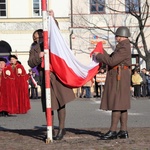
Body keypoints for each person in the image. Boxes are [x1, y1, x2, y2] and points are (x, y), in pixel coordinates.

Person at [28, 10, 75, 140]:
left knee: (61, 103)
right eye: (36, 38)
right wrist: (39, 56)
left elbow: (56, 33)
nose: (39, 40)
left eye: (40, 37)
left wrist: (53, 19)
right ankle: (51, 129)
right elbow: (31, 63)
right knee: (49, 106)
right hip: (45, 79)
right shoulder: (34, 49)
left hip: (57, 77)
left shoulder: (51, 43)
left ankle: (61, 128)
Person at [93, 26, 131, 140]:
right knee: (122, 105)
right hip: (120, 75)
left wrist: (98, 56)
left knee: (117, 104)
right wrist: (102, 51)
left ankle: (113, 131)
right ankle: (123, 130)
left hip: (119, 76)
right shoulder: (123, 46)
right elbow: (112, 57)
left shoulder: (123, 47)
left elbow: (112, 61)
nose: (116, 37)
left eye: (117, 36)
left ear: (122, 36)